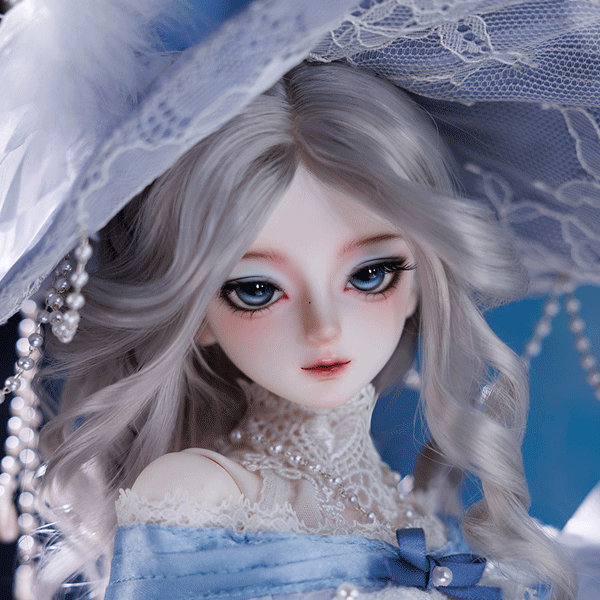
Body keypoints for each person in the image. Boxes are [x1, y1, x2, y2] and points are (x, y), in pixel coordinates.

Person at [34, 62, 575, 600]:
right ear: (197, 316)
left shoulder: (412, 511)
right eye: (256, 290)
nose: (324, 328)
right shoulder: (200, 496)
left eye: (370, 275)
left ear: (417, 283)